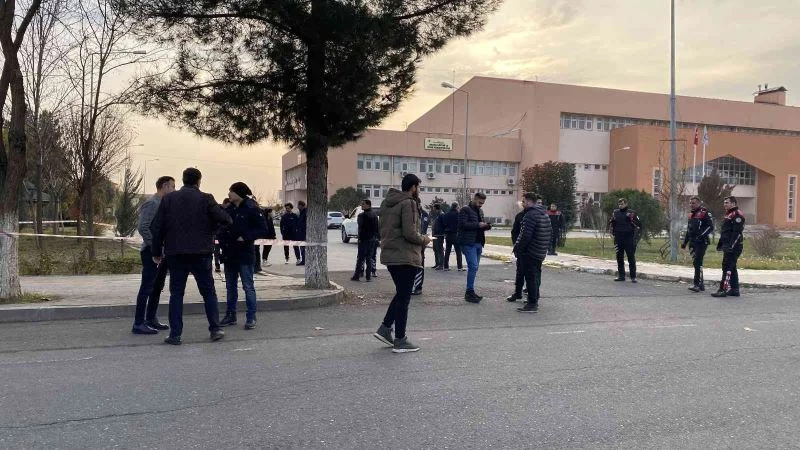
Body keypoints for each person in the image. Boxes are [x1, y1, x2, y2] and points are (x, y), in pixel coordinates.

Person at [151, 167, 232, 345]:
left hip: (176, 253)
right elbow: (226, 220)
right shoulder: (206, 198)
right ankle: (215, 329)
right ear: (198, 181)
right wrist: (212, 232)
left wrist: (156, 252)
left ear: (183, 180)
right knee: (208, 292)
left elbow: (156, 227)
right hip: (201, 253)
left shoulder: (169, 199)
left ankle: (175, 335)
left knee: (176, 294)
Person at [372, 173, 431, 353]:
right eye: (418, 187)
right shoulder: (409, 203)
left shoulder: (387, 203)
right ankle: (400, 340)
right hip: (405, 256)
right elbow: (410, 233)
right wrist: (425, 239)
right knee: (404, 299)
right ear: (413, 187)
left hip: (391, 255)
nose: (418, 190)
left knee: (401, 294)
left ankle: (385, 328)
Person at [218, 182, 269, 330]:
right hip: (229, 254)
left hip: (245, 254)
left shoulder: (252, 208)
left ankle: (251, 317)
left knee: (248, 286)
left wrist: (246, 237)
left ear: (239, 193)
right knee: (230, 287)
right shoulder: (229, 209)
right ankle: (230, 315)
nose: (229, 194)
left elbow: (263, 229)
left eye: (231, 191)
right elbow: (222, 226)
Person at [132, 175, 175, 335]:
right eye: (172, 186)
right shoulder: (152, 203)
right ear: (164, 186)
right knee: (147, 287)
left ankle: (151, 319)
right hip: (151, 252)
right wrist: (155, 247)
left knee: (157, 287)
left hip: (162, 252)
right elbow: (143, 227)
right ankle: (138, 323)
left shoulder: (164, 204)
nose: (174, 190)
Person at [513, 193, 552, 313]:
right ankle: (534, 300)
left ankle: (532, 304)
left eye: (524, 202)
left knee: (530, 277)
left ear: (529, 202)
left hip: (530, 251)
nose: (522, 204)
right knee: (535, 276)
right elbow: (549, 232)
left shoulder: (530, 215)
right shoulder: (544, 214)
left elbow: (525, 235)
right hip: (540, 251)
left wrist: (518, 248)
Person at [459, 192, 492, 303]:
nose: (480, 205)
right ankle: (469, 292)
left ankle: (470, 291)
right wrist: (478, 225)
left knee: (475, 267)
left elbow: (480, 226)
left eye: (482, 203)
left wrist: (486, 226)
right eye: (479, 202)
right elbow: (463, 225)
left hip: (478, 242)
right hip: (468, 243)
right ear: (474, 199)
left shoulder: (480, 211)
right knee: (473, 266)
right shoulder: (465, 210)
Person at [712, 196, 745, 298]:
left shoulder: (737, 214)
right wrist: (720, 244)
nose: (725, 204)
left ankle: (723, 289)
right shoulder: (728, 214)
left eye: (727, 202)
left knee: (727, 267)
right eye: (724, 202)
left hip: (734, 246)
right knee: (731, 267)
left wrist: (731, 246)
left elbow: (737, 233)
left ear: (733, 203)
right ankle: (735, 290)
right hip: (727, 246)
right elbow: (725, 232)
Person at [681, 196, 714, 293]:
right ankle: (701, 284)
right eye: (690, 203)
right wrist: (685, 242)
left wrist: (701, 236)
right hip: (692, 243)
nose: (691, 205)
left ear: (699, 203)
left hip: (701, 242)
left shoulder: (704, 213)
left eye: (693, 203)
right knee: (696, 263)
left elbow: (710, 227)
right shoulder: (691, 214)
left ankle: (697, 284)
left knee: (698, 262)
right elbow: (689, 230)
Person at [608, 198, 642, 283]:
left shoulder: (632, 213)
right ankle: (621, 276)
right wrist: (611, 229)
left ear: (626, 204)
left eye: (622, 204)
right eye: (619, 204)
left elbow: (639, 224)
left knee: (631, 257)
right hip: (618, 238)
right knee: (619, 258)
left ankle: (633, 277)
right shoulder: (615, 213)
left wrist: (631, 219)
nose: (620, 205)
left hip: (629, 238)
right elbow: (611, 223)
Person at [351, 199, 379, 281]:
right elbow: (377, 228)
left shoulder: (362, 216)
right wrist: (376, 238)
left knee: (360, 258)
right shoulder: (374, 215)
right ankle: (368, 277)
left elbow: (361, 228)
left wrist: (360, 238)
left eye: (363, 204)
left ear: (368, 205)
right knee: (369, 258)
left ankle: (357, 276)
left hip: (364, 239)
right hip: (372, 239)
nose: (362, 205)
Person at [506, 200, 528, 302]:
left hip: (533, 249)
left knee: (533, 273)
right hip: (521, 249)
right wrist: (516, 245)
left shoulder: (539, 216)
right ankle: (518, 293)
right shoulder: (520, 216)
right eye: (523, 202)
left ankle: (532, 294)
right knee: (520, 272)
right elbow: (514, 231)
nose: (524, 204)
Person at [412, 206, 430, 295]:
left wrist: (422, 238)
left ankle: (418, 287)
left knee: (419, 264)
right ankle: (412, 286)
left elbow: (423, 228)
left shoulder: (424, 214)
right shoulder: (411, 213)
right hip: (414, 242)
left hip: (420, 242)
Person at [443, 202, 463, 271]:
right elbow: (460, 224)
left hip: (448, 234)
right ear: (457, 207)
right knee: (458, 251)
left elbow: (444, 224)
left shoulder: (446, 214)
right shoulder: (458, 214)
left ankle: (446, 266)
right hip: (455, 234)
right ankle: (459, 267)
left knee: (447, 251)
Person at [213, 198, 231, 273]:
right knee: (216, 251)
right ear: (224, 203)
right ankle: (217, 265)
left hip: (225, 236)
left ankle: (226, 264)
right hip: (217, 235)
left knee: (226, 250)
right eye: (227, 205)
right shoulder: (218, 210)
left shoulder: (227, 211)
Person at [431, 204, 446, 270]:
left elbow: (444, 224)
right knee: (435, 249)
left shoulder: (441, 214)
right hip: (435, 235)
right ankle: (437, 263)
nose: (433, 209)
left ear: (436, 208)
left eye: (433, 208)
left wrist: (442, 232)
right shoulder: (437, 215)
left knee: (440, 249)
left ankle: (441, 264)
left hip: (439, 235)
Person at [296, 200, 308, 266]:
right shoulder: (301, 212)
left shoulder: (305, 213)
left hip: (304, 234)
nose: (297, 206)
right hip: (301, 234)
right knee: (302, 248)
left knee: (303, 248)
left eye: (298, 205)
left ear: (301, 205)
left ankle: (304, 261)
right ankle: (304, 260)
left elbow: (305, 224)